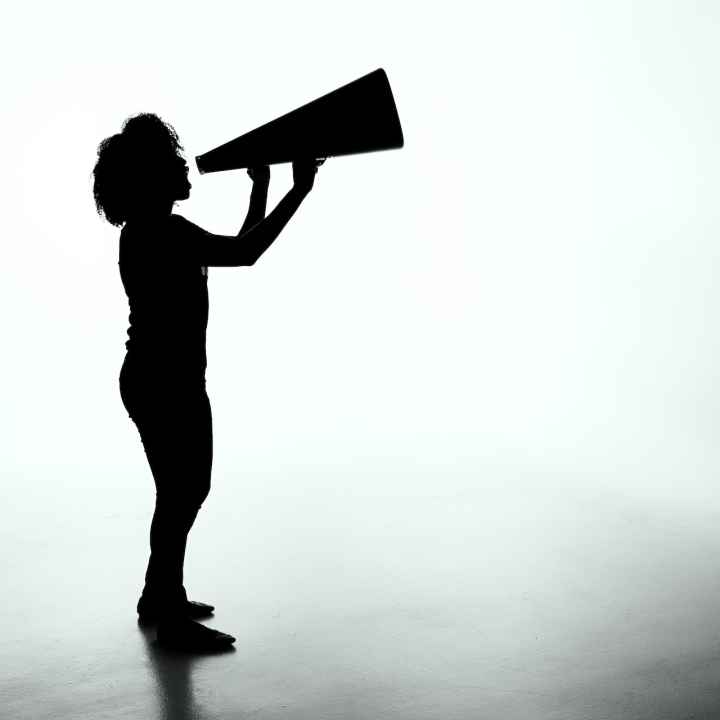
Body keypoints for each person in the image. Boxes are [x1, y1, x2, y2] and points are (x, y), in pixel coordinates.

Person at [92, 113, 319, 651]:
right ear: (152, 180)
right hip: (165, 382)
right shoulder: (162, 232)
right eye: (174, 163)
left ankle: (159, 595)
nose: (186, 168)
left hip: (156, 379)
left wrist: (262, 188)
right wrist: (299, 190)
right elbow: (245, 253)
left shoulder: (153, 230)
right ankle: (168, 614)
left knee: (179, 492)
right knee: (183, 492)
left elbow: (238, 244)